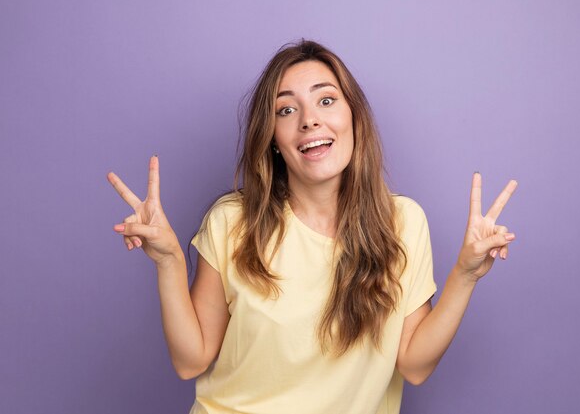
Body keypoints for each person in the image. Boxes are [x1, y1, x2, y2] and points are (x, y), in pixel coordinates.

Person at [107, 40, 517, 414]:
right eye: (287, 109)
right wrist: (168, 261)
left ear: (353, 117)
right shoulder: (232, 222)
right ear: (272, 138)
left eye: (326, 100)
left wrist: (465, 276)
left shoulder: (403, 222)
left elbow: (413, 364)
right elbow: (190, 360)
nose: (309, 120)